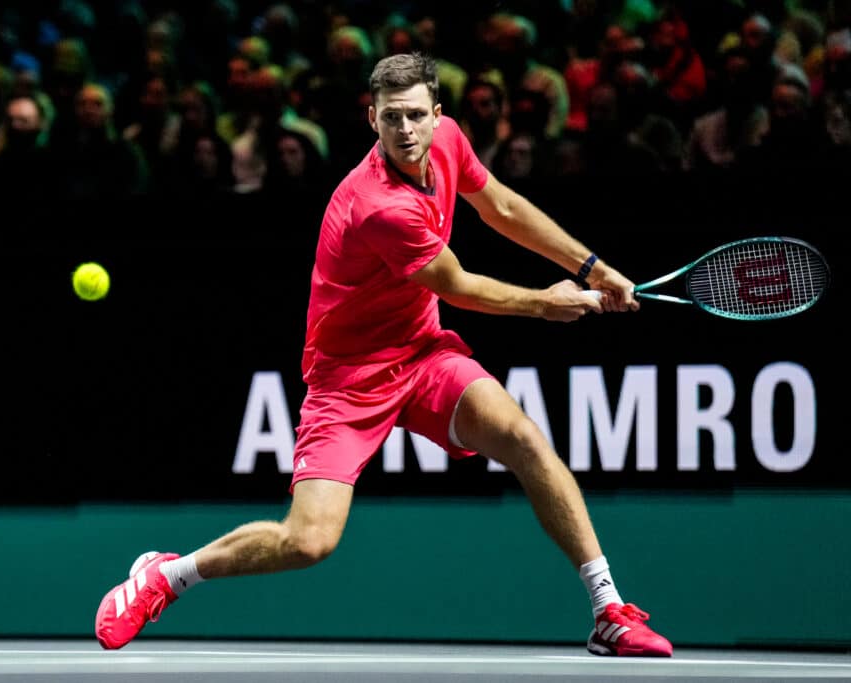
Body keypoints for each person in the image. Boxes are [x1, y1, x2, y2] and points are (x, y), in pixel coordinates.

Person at [94, 52, 673, 658]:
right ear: (372, 118)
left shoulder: (448, 141)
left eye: (416, 115)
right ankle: (169, 575)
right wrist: (544, 304)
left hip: (422, 352)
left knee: (524, 438)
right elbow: (457, 286)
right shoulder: (378, 205)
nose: (405, 129)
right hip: (348, 378)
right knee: (309, 540)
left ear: (437, 114)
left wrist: (592, 268)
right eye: (391, 116)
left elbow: (501, 206)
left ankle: (609, 611)